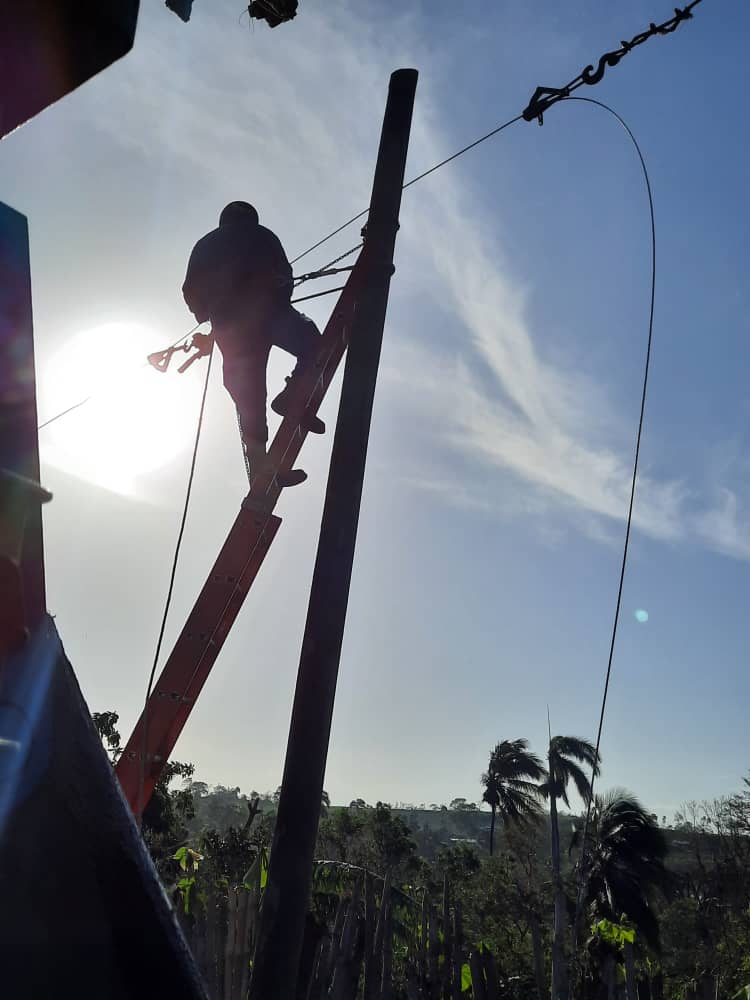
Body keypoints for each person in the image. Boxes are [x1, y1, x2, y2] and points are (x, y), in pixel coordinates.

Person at [182, 201, 324, 485]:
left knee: (249, 394)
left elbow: (190, 289)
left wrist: (206, 315)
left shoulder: (204, 244)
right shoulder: (264, 235)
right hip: (269, 312)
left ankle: (261, 463)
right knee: (314, 345)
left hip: (230, 325)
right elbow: (285, 275)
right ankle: (294, 394)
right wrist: (280, 303)